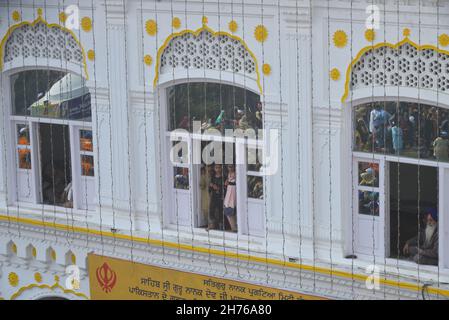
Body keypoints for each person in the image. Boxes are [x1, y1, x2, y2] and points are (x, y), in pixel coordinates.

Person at [208, 164, 224, 231]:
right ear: (214, 169)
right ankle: (212, 224)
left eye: (219, 167)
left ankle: (221, 224)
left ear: (221, 168)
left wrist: (218, 188)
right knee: (211, 209)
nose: (217, 169)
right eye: (216, 168)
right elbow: (210, 187)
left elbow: (224, 187)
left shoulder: (223, 177)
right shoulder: (213, 177)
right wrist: (211, 186)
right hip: (214, 195)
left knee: (221, 210)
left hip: (220, 196)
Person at [223, 165, 237, 232]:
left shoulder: (236, 174)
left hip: (234, 192)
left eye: (231, 167)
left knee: (232, 208)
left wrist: (229, 183)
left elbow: (236, 183)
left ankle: (234, 227)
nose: (230, 168)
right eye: (229, 167)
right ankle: (233, 227)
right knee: (227, 207)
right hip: (229, 192)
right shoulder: (229, 174)